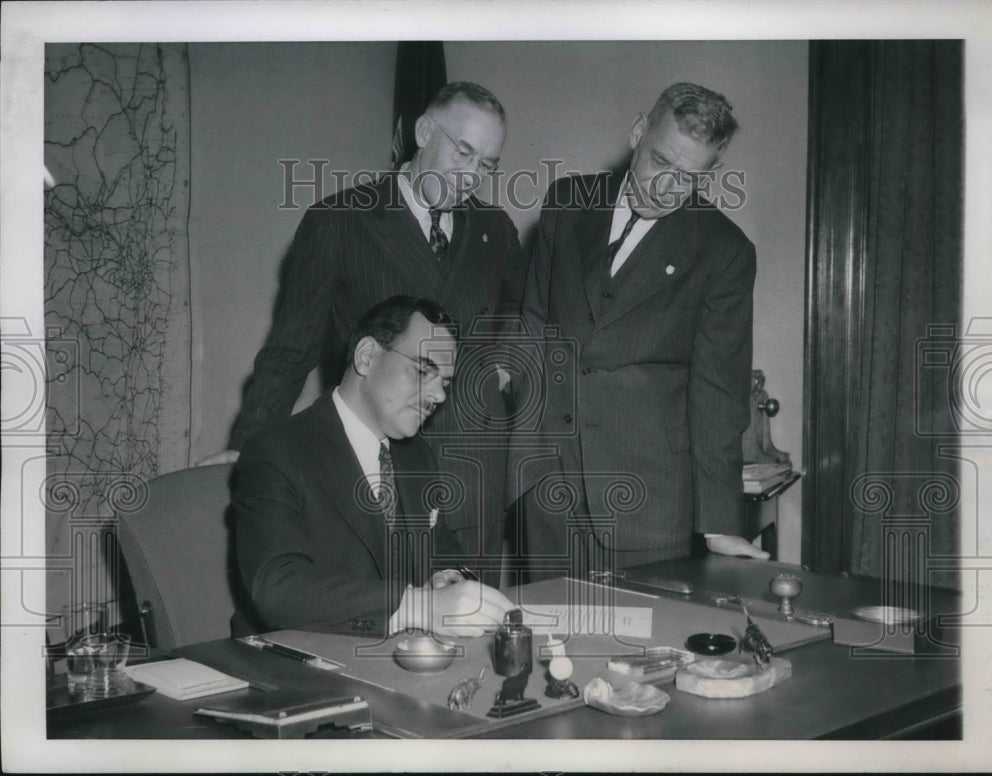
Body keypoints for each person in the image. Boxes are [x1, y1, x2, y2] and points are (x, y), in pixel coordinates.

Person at [201, 82, 527, 586]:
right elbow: (291, 349)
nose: (471, 176)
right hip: (381, 471)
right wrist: (248, 446)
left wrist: (500, 371)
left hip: (474, 469)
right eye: (463, 152)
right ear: (423, 131)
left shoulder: (496, 228)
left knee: (469, 625)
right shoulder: (340, 221)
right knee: (377, 620)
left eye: (487, 165)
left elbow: (521, 314)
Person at [509, 82, 767, 581]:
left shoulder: (724, 251)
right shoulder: (567, 203)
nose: (666, 188)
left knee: (640, 652)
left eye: (688, 178)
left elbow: (718, 391)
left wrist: (719, 523)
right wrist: (521, 459)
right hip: (547, 489)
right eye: (660, 162)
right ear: (637, 132)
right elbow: (534, 325)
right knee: (548, 646)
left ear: (711, 173)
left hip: (647, 503)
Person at [231, 296, 515, 638]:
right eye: (424, 369)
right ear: (367, 357)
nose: (439, 395)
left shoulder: (416, 455)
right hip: (297, 657)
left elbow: (441, 550)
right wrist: (419, 606)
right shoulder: (276, 451)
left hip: (390, 655)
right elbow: (278, 591)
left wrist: (447, 576)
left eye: (445, 381)